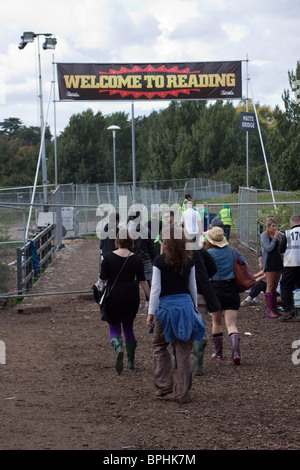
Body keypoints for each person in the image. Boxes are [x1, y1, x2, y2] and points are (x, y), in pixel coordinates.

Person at [147, 226, 206, 404]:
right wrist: (195, 308)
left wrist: (151, 313)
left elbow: (156, 289)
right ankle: (183, 393)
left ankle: (164, 383)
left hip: (165, 308)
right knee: (183, 350)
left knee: (159, 344)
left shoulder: (159, 261)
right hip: (185, 307)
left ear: (165, 242)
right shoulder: (189, 262)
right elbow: (192, 287)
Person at [99, 229, 150, 374]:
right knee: (128, 328)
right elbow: (143, 282)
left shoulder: (108, 258)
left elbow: (102, 280)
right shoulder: (136, 259)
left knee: (114, 327)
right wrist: (151, 299)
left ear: (117, 241)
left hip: (113, 297)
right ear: (130, 241)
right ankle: (130, 362)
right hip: (131, 296)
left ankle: (118, 348)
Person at [204, 226, 247, 365]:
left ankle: (218, 353)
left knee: (217, 322)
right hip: (231, 288)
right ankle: (236, 353)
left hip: (214, 289)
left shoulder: (208, 253)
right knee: (231, 323)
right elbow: (244, 265)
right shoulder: (233, 251)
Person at [192, 245, 221, 375]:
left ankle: (179, 360)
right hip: (201, 293)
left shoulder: (175, 252)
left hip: (181, 295)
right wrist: (203, 277)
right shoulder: (201, 251)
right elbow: (213, 268)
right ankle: (198, 365)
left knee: (181, 325)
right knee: (201, 323)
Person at [127, 211, 156, 308]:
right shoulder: (147, 230)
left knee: (135, 281)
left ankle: (137, 302)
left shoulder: (128, 230)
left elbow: (127, 246)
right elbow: (151, 246)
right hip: (146, 258)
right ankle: (148, 302)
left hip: (132, 258)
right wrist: (153, 258)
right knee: (147, 280)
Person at [278, 215, 300, 321]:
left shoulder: (287, 234)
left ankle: (287, 311)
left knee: (285, 286)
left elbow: (281, 249)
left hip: (290, 263)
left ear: (291, 223)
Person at [260, 217, 283, 318]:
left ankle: (274, 308)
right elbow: (268, 248)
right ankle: (269, 310)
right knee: (270, 286)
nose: (275, 228)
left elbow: (281, 247)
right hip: (269, 262)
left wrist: (279, 238)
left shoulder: (277, 235)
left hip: (278, 262)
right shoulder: (264, 235)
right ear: (268, 227)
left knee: (275, 285)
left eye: (276, 226)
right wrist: (274, 239)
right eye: (273, 226)